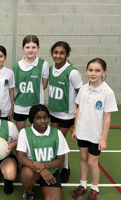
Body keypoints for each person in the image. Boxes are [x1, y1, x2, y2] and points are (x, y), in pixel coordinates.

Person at [71, 58, 118, 200]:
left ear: (104, 72)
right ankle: (82, 185)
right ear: (86, 71)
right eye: (90, 70)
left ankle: (95, 188)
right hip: (82, 132)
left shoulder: (107, 92)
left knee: (92, 162)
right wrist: (75, 128)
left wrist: (103, 138)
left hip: (96, 135)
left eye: (98, 70)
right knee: (83, 158)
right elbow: (79, 109)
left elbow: (107, 118)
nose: (93, 73)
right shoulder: (84, 88)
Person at [16, 104, 70, 200]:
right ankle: (29, 192)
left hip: (51, 170)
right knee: (27, 174)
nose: (42, 121)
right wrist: (41, 170)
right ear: (32, 119)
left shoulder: (57, 133)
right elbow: (20, 157)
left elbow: (60, 160)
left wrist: (44, 166)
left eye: (45, 117)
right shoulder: (24, 132)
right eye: (38, 118)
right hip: (32, 169)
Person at [48, 41, 83, 183]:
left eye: (62, 53)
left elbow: (80, 94)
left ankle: (65, 168)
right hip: (53, 112)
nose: (58, 55)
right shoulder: (50, 69)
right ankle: (59, 166)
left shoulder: (72, 72)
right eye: (55, 52)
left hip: (66, 113)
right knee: (55, 141)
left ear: (67, 55)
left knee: (59, 141)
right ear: (52, 54)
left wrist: (79, 117)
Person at [12, 35, 49, 132]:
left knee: (36, 133)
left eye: (33, 47)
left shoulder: (43, 64)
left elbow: (44, 85)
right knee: (20, 134)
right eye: (27, 47)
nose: (30, 50)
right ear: (23, 48)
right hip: (20, 105)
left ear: (38, 48)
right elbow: (17, 87)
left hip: (36, 105)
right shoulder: (16, 66)